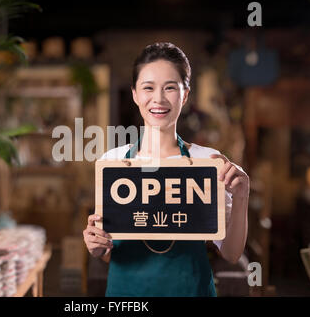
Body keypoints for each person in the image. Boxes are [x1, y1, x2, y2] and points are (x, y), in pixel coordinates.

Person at [83, 42, 250, 296]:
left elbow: (231, 253)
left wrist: (241, 195)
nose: (158, 99)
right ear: (135, 94)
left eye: (170, 88)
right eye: (148, 88)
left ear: (184, 95)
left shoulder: (207, 162)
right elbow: (112, 251)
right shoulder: (113, 162)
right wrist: (99, 248)